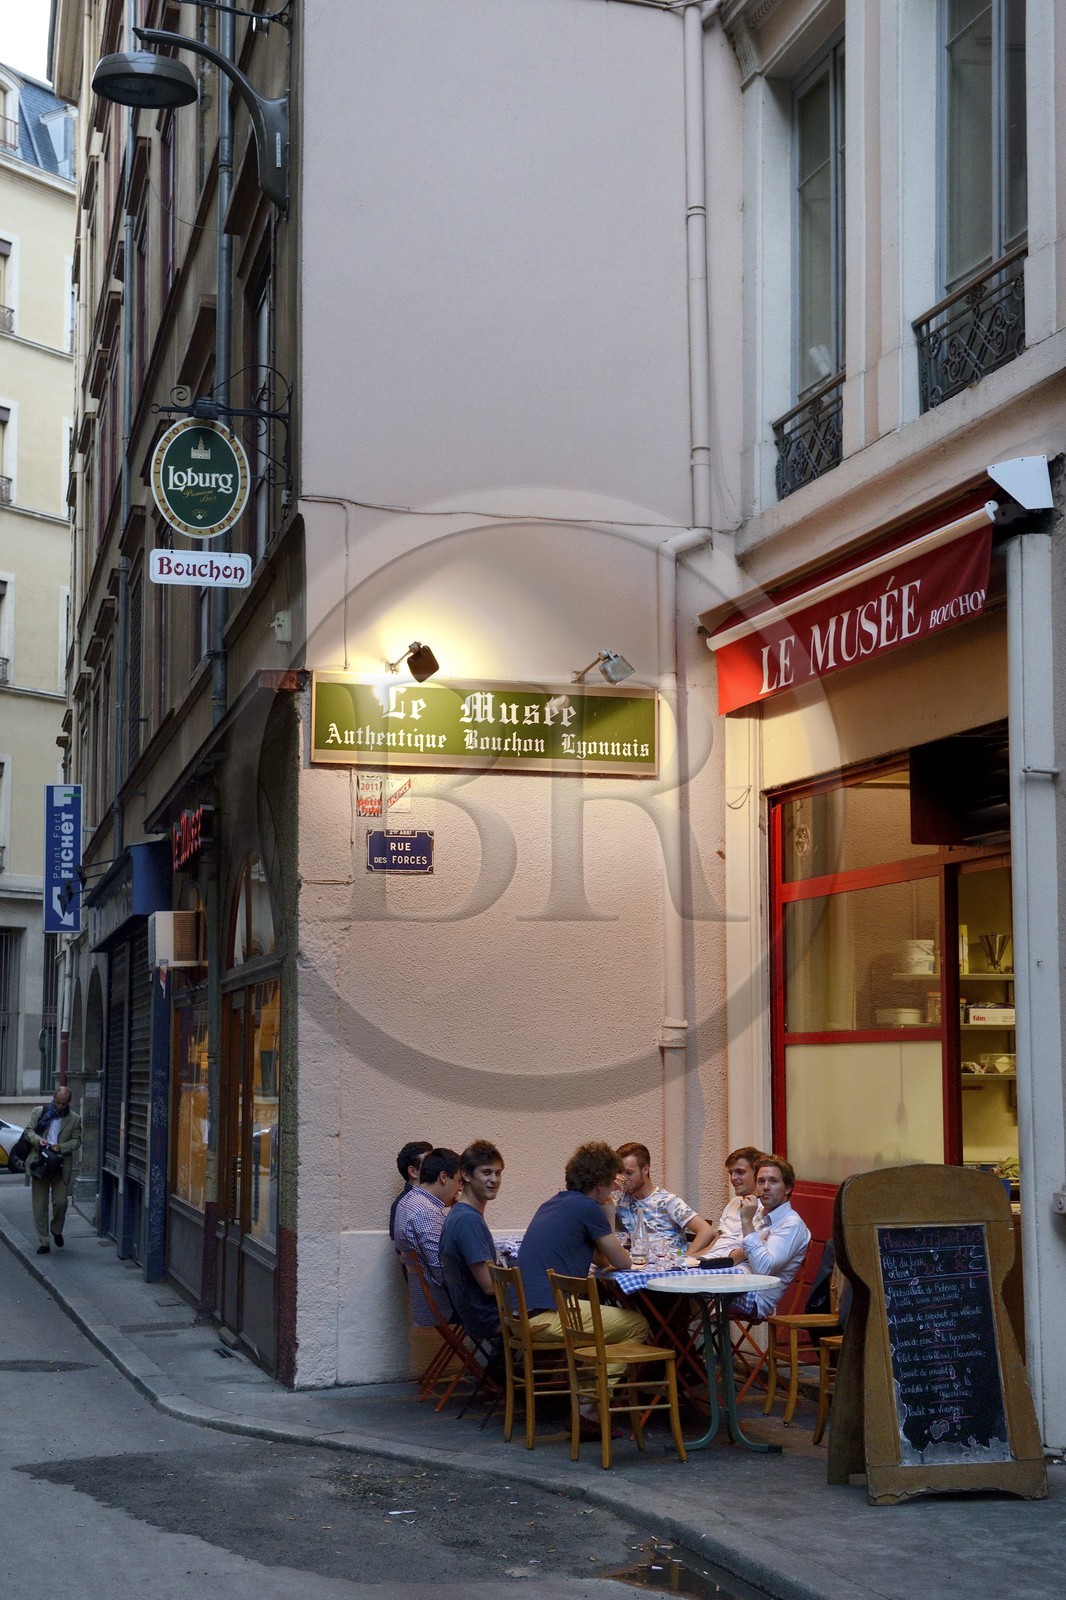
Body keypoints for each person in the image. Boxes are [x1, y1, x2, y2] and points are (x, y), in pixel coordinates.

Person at [517, 1141, 649, 1435]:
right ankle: (590, 1408)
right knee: (636, 1324)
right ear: (601, 1182)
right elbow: (623, 1262)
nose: (614, 1189)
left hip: (527, 1310)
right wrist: (609, 1212)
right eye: (613, 1182)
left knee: (605, 1325)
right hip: (549, 1315)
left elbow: (597, 1257)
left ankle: (587, 1403)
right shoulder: (589, 1208)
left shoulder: (556, 1202)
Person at [440, 1139, 506, 1365]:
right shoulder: (468, 1221)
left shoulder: (460, 1214)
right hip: (489, 1317)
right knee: (572, 1315)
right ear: (466, 1175)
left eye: (498, 1173)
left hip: (475, 1314)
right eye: (486, 1172)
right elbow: (489, 1286)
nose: (494, 1180)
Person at [729, 1154, 811, 1318]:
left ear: (787, 1188)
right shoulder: (757, 1214)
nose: (766, 1187)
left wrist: (746, 1222)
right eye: (761, 1181)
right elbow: (731, 1255)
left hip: (754, 1297)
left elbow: (763, 1268)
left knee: (692, 1292)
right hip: (734, 1282)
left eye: (773, 1181)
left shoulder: (791, 1224)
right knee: (681, 1288)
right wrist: (754, 1244)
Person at [612, 1141, 715, 1259]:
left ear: (645, 1169)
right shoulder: (621, 1202)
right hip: (639, 1266)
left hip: (670, 1268)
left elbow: (707, 1231)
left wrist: (686, 1258)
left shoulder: (667, 1201)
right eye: (619, 1172)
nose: (624, 1178)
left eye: (629, 1173)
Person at [393, 1147, 462, 1324]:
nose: (460, 1188)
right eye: (459, 1181)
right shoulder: (426, 1212)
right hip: (442, 1307)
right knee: (508, 1301)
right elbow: (443, 1273)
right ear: (444, 1177)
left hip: (426, 1303)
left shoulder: (408, 1201)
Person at [24, 1086, 82, 1255]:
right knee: (40, 1206)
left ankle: (56, 1230)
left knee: (60, 1203)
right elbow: (28, 1132)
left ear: (68, 1103)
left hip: (60, 1166)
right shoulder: (39, 1112)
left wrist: (61, 1147)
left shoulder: (74, 1119)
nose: (59, 1107)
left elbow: (77, 1141)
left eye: (63, 1104)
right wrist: (38, 1140)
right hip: (40, 1165)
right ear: (53, 1098)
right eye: (57, 1102)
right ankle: (44, 1241)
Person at [704, 1146, 766, 1264]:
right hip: (709, 1261)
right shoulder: (734, 1202)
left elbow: (750, 1250)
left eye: (740, 1172)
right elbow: (718, 1241)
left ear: (758, 1174)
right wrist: (692, 1258)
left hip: (727, 1267)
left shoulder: (764, 1209)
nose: (733, 1178)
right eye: (731, 1172)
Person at [389, 1139, 433, 1241]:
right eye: (429, 1162)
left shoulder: (432, 1197)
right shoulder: (403, 1204)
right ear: (413, 1172)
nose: (435, 1166)